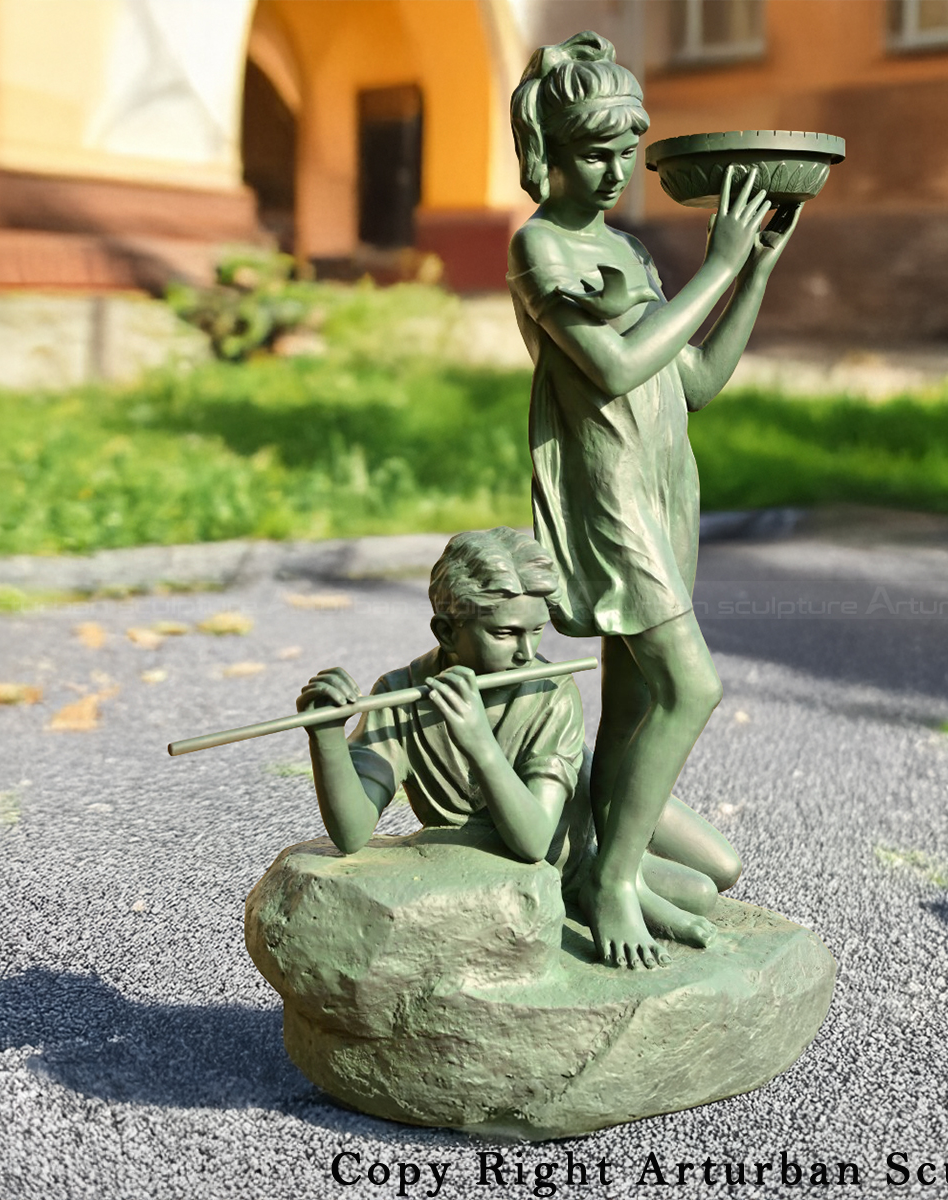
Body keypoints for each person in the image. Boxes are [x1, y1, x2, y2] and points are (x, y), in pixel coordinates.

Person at [507, 32, 801, 968]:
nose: (615, 172)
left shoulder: (627, 250)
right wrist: (715, 267)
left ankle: (604, 859)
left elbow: (695, 380)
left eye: (626, 153)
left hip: (667, 485)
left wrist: (752, 269)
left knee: (635, 706)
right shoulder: (539, 246)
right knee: (693, 685)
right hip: (609, 494)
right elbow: (617, 366)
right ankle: (612, 882)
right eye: (595, 152)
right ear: (549, 151)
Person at [297, 527, 738, 949]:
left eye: (537, 631)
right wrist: (326, 739)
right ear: (447, 632)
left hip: (582, 810)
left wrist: (479, 743)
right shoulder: (398, 696)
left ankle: (618, 858)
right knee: (699, 895)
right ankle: (603, 880)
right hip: (564, 860)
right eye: (506, 633)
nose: (527, 654)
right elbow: (351, 834)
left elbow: (533, 839)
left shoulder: (551, 693)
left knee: (723, 867)